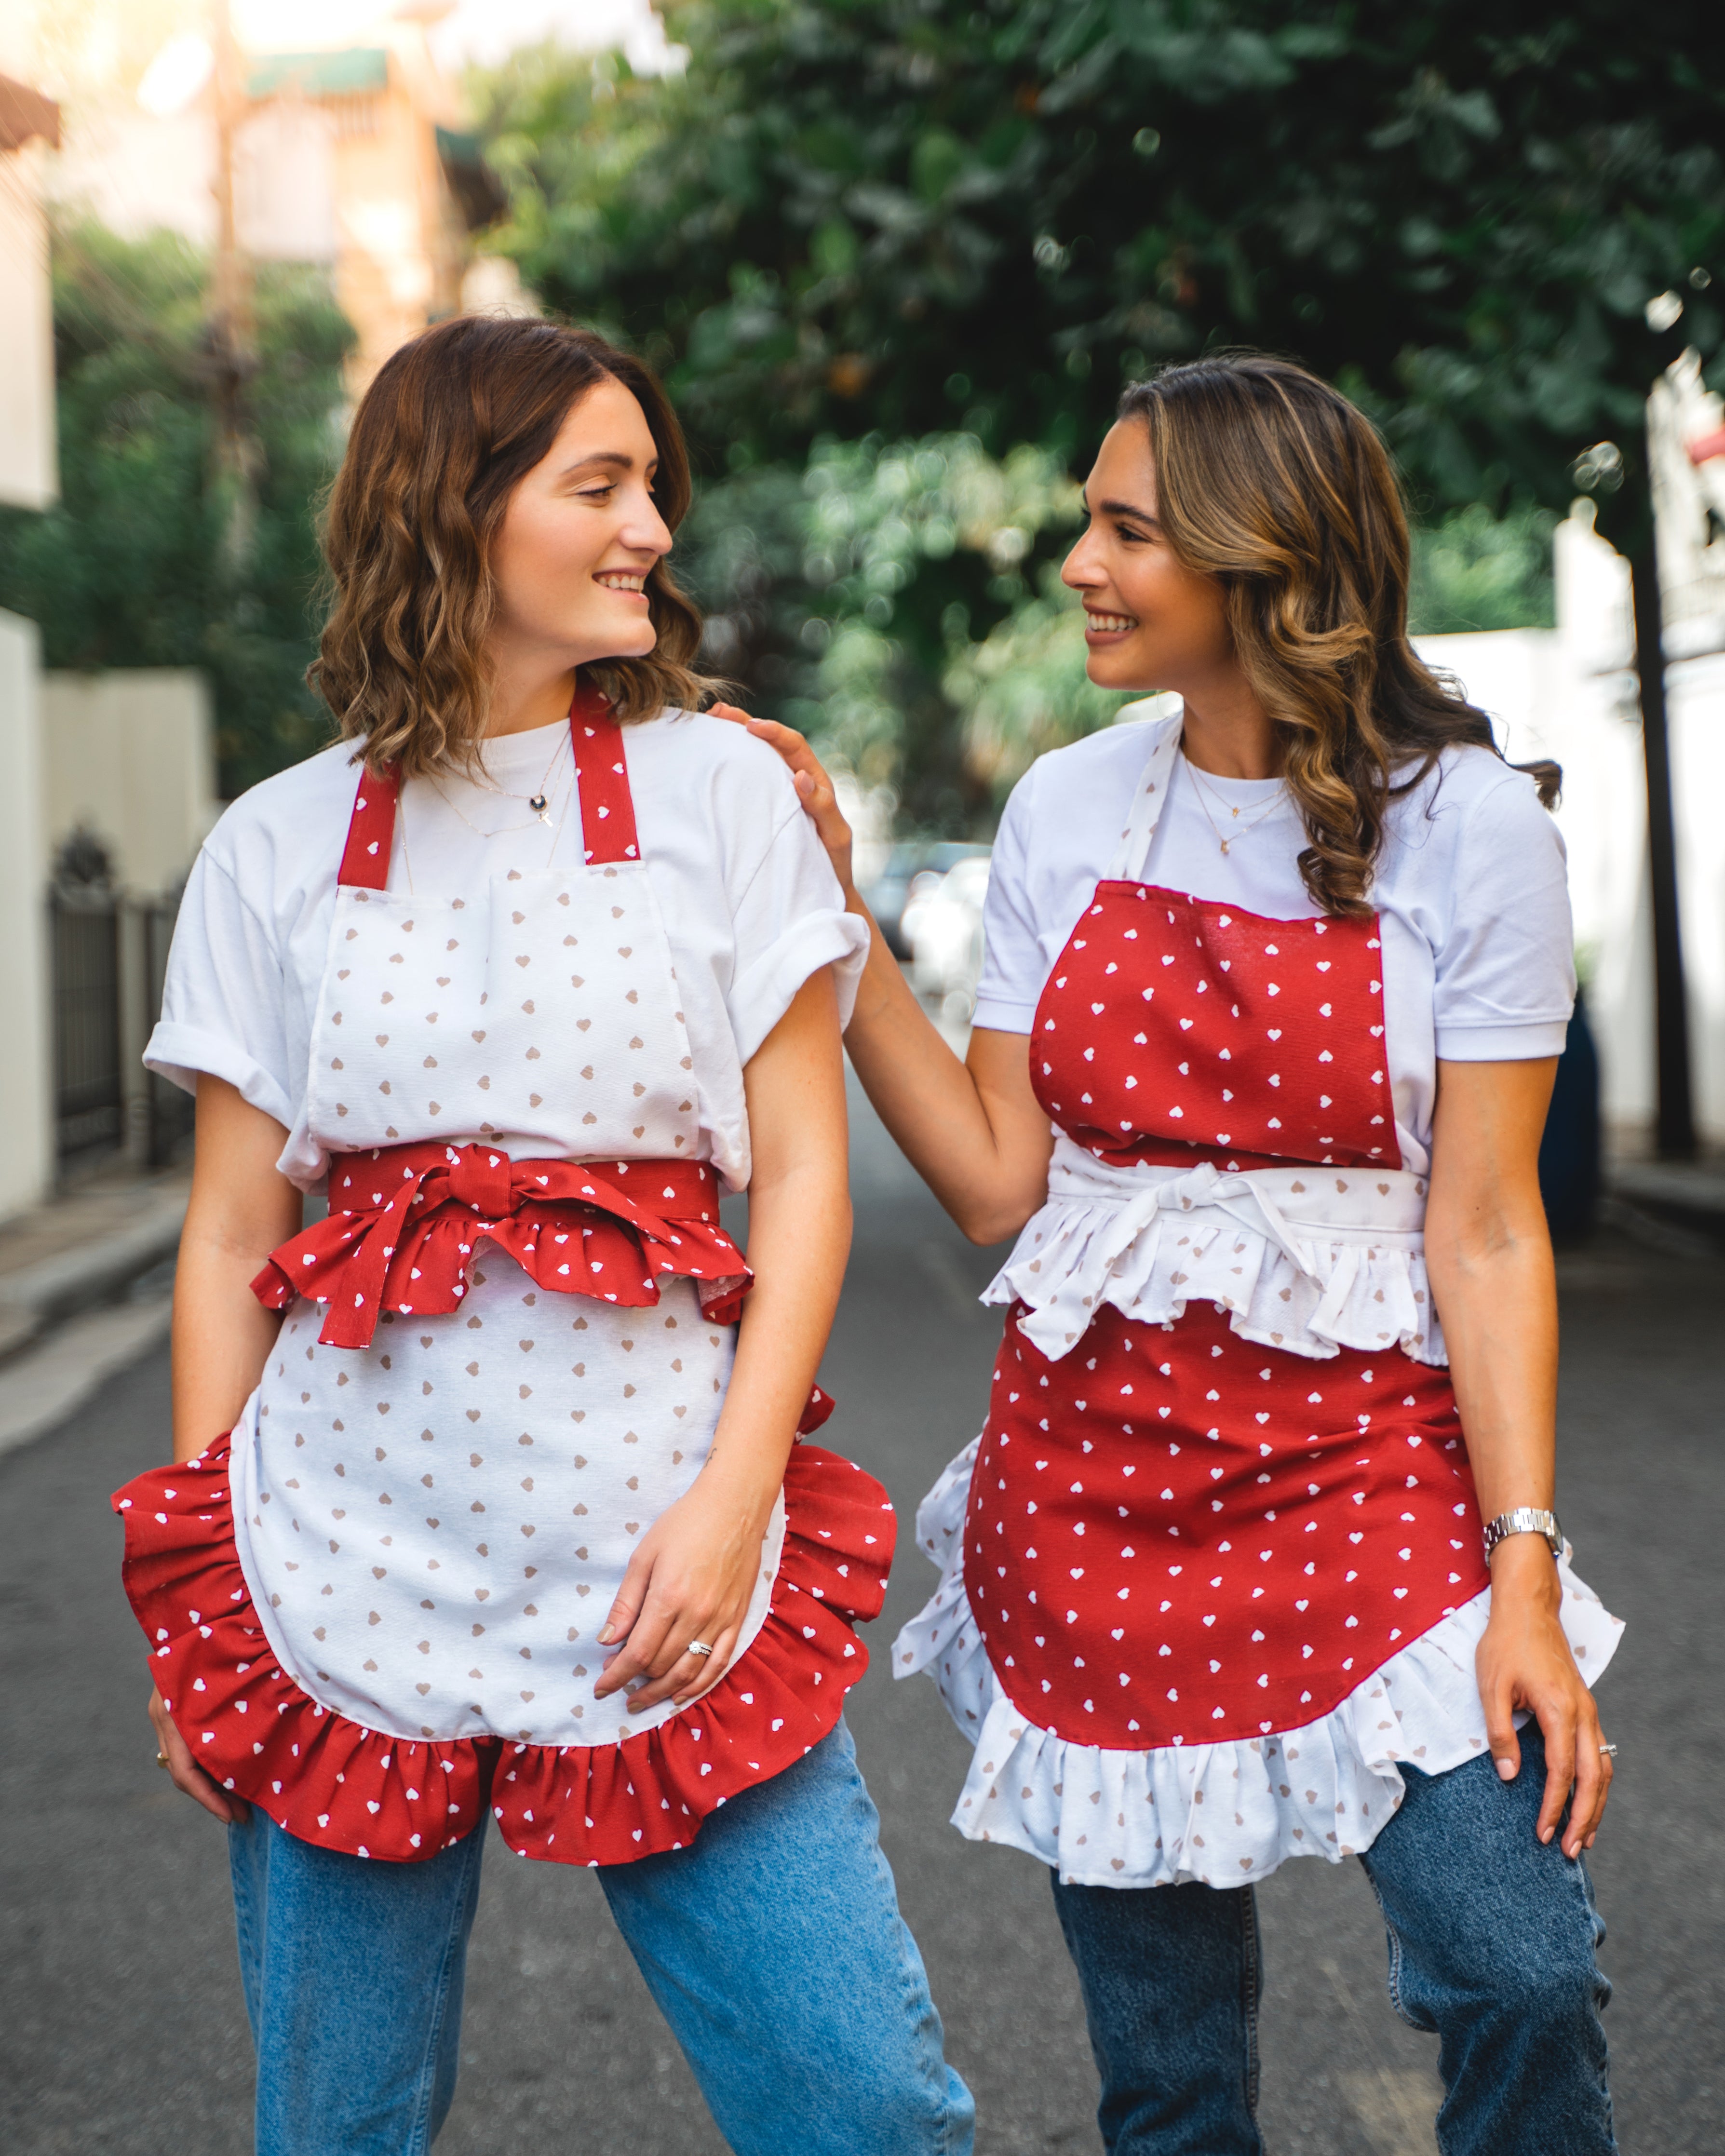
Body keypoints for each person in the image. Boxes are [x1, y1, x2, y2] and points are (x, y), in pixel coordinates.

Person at [723, 353, 1622, 2156]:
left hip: (1373, 1474)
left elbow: (1491, 1224)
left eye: (1126, 529)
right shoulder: (1067, 805)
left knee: (1516, 1963)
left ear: (1259, 560)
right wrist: (831, 893)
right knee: (1170, 2073)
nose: (1077, 561)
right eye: (1087, 521)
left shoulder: (1470, 827)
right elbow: (994, 1182)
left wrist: (1522, 1569)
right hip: (1093, 1488)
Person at [114, 315, 975, 2156]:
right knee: (335, 2132)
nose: (651, 526)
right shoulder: (272, 845)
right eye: (600, 485)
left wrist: (737, 1497)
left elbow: (805, 1180)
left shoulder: (724, 793)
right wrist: (211, 1606)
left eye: (651, 484)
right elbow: (223, 1242)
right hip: (335, 1561)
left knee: (867, 2109)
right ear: (455, 510)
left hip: (666, 1548)